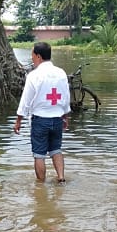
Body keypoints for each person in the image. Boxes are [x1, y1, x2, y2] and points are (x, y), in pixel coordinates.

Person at [13, 42, 71, 183]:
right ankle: (61, 178)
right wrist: (65, 116)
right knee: (56, 150)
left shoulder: (34, 75)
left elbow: (26, 99)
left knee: (39, 155)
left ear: (38, 56)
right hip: (57, 118)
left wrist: (19, 120)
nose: (32, 58)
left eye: (32, 55)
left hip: (40, 120)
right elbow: (65, 96)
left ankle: (41, 186)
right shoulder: (61, 73)